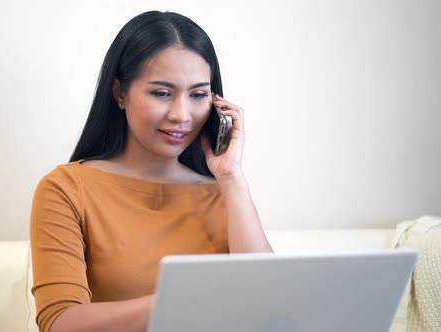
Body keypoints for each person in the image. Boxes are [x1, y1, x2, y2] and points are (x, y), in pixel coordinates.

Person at [30, 10, 273, 332]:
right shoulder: (67, 188)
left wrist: (232, 179)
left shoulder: (224, 192)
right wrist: (187, 301)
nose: (181, 114)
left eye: (198, 94)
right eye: (161, 93)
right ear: (120, 93)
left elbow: (270, 306)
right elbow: (60, 322)